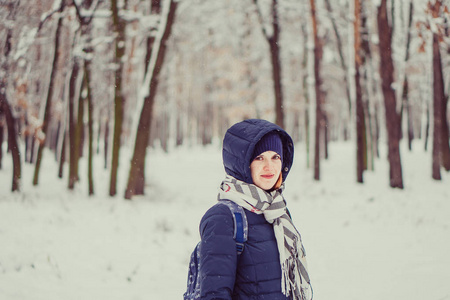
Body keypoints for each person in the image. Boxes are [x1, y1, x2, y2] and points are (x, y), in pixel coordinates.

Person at [197, 119, 311, 300]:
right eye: (259, 158)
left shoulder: (278, 212)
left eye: (276, 157)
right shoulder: (223, 218)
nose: (270, 166)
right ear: (242, 164)